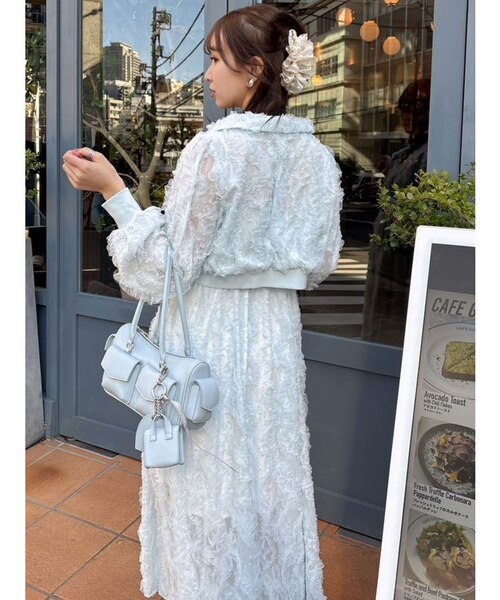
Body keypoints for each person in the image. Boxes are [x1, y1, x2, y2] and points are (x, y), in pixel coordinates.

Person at [62, 5, 343, 599]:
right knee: (269, 470)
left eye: (216, 59)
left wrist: (114, 191)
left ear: (256, 69)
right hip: (273, 337)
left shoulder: (215, 150)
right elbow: (319, 262)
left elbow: (164, 269)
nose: (208, 73)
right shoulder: (317, 158)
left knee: (205, 473)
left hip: (208, 330)